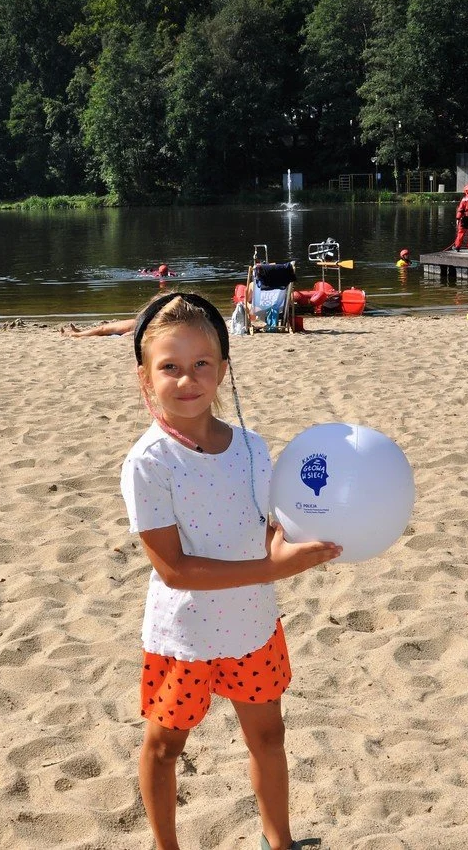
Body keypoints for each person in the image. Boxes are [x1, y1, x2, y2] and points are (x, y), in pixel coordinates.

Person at [121, 292, 337, 850]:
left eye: (201, 365)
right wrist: (273, 565)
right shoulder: (149, 463)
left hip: (252, 626)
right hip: (184, 637)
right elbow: (174, 569)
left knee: (268, 737)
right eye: (168, 366)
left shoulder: (252, 447)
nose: (186, 379)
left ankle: (279, 842)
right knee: (165, 748)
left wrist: (297, 543)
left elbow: (260, 524)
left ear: (223, 369)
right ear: (145, 376)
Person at [62, 318, 135, 337]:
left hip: (137, 325)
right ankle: (80, 333)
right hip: (138, 324)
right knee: (103, 329)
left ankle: (75, 334)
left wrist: (132, 333)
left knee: (102, 329)